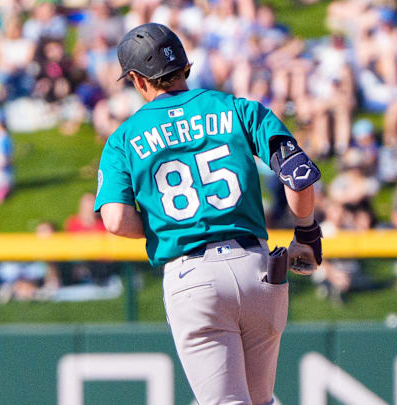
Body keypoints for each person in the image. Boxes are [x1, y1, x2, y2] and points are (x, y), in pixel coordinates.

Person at [95, 23, 323, 405]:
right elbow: (298, 176)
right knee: (260, 401)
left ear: (136, 79)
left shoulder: (124, 138)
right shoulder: (237, 108)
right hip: (257, 269)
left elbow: (116, 220)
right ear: (184, 65)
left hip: (192, 277)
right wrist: (307, 235)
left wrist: (166, 228)